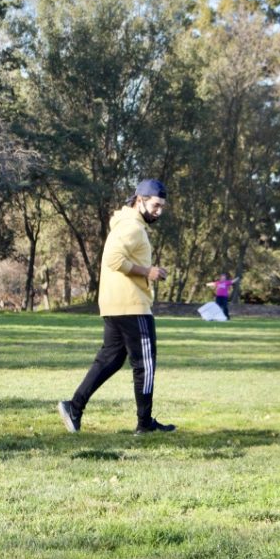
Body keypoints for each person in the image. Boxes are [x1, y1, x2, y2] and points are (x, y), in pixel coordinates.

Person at [58, 179, 176, 436]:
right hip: (132, 305)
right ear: (140, 199)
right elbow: (112, 258)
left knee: (110, 359)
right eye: (156, 205)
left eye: (162, 207)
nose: (159, 211)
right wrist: (148, 271)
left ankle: (74, 407)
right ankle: (144, 425)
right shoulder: (132, 227)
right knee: (145, 364)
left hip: (114, 304)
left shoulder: (127, 224)